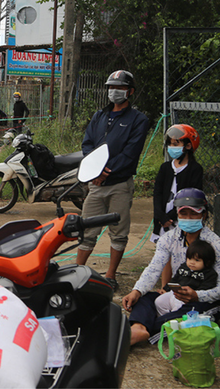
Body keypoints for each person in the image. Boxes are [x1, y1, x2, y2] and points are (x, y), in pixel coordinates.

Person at [121, 188, 220, 346]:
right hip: (175, 295)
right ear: (177, 214)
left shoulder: (216, 245)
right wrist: (136, 290)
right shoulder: (168, 238)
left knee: (190, 315)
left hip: (204, 301)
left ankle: (143, 328)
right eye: (183, 214)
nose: (188, 218)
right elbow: (154, 268)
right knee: (143, 298)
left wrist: (198, 296)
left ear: (204, 215)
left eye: (194, 213)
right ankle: (139, 328)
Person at [76, 70, 150, 291]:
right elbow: (87, 144)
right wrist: (95, 171)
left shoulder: (139, 120)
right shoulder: (99, 116)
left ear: (130, 92)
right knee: (87, 228)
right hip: (96, 185)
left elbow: (131, 152)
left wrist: (107, 170)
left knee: (118, 231)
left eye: (118, 88)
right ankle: (77, 270)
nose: (113, 91)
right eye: (110, 87)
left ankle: (110, 275)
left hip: (119, 184)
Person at [152, 124, 204, 243]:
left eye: (175, 144)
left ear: (188, 146)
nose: (171, 147)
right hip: (162, 221)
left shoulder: (195, 169)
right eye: (170, 144)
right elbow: (157, 193)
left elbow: (192, 197)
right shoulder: (165, 168)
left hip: (181, 220)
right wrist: (160, 216)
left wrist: (170, 217)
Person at [155, 239, 217, 316]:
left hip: (188, 300)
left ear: (207, 262)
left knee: (178, 308)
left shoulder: (209, 274)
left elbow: (206, 289)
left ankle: (173, 320)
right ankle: (164, 317)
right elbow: (175, 279)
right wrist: (165, 289)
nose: (191, 262)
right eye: (189, 258)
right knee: (159, 301)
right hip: (175, 293)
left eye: (197, 260)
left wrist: (195, 295)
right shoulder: (184, 267)